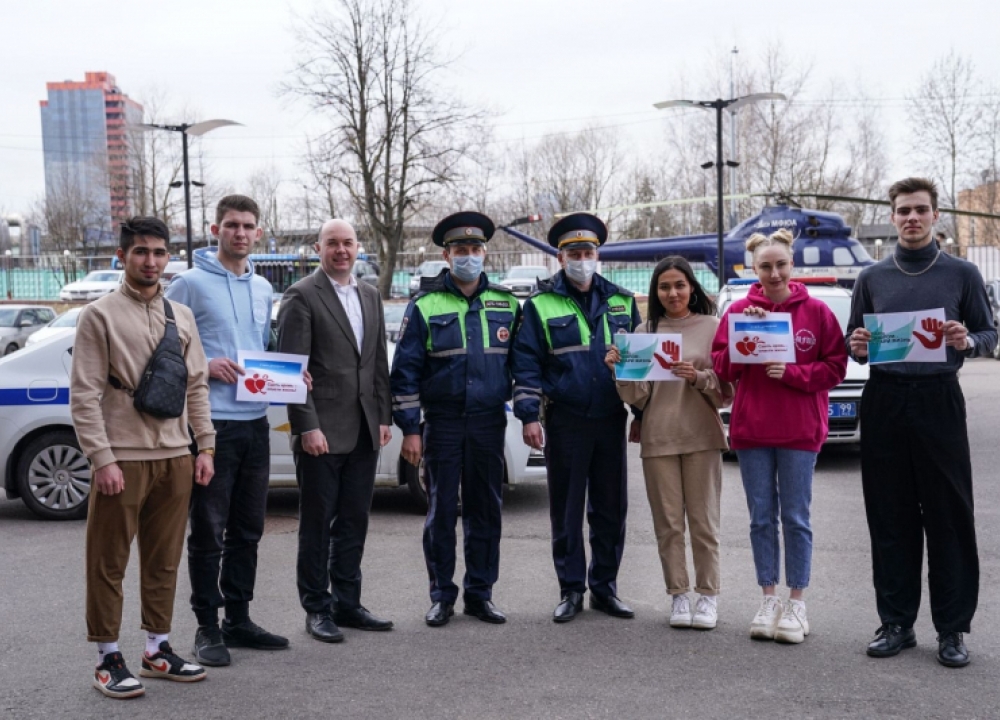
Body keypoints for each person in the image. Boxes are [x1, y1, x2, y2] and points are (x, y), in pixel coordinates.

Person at [846, 177, 996, 668]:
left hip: (938, 401)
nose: (912, 218)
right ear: (892, 218)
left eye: (921, 210)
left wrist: (965, 340)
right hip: (886, 400)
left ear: (935, 216)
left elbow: (988, 333)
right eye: (903, 210)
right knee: (889, 516)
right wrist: (859, 346)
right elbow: (855, 340)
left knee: (949, 516)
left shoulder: (962, 274)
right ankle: (896, 623)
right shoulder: (872, 278)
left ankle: (952, 629)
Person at [71, 216, 216, 699]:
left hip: (176, 456)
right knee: (107, 561)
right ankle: (107, 657)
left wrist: (205, 445)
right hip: (122, 459)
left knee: (164, 559)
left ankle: (158, 648)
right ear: (122, 256)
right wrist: (101, 458)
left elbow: (196, 387)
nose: (150, 261)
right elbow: (84, 396)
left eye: (158, 252)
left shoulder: (182, 316)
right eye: (140, 252)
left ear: (168, 257)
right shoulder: (99, 315)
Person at [166, 195, 291, 666]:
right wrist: (201, 363)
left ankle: (238, 618)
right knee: (209, 530)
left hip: (255, 422)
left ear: (258, 232)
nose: (240, 233)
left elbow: (261, 349)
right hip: (210, 425)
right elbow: (160, 345)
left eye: (248, 226)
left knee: (248, 528)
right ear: (215, 229)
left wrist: (291, 377)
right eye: (232, 225)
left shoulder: (262, 287)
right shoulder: (190, 284)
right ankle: (206, 627)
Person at [712, 229, 847, 644]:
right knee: (761, 518)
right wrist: (743, 341)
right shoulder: (738, 312)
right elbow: (722, 368)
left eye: (781, 264)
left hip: (799, 430)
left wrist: (794, 373)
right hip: (753, 429)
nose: (774, 273)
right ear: (753, 269)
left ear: (792, 266)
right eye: (765, 266)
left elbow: (836, 366)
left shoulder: (818, 311)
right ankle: (768, 596)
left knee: (796, 517)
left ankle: (797, 602)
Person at [390, 211, 521, 627]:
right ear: (447, 255)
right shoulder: (425, 305)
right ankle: (441, 595)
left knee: (486, 510)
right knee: (441, 511)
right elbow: (405, 372)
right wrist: (411, 428)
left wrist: (533, 413)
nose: (468, 256)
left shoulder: (506, 303)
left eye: (475, 249)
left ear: (486, 253)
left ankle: (480, 594)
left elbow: (524, 364)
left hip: (488, 422)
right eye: (460, 249)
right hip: (442, 423)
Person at [511, 212, 642, 623]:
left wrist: (641, 411)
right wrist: (529, 415)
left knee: (610, 510)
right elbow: (526, 363)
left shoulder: (621, 300)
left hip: (609, 418)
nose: (581, 258)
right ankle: (571, 590)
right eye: (573, 252)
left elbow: (637, 363)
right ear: (560, 257)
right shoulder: (539, 304)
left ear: (597, 254)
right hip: (564, 419)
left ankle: (605, 588)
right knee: (566, 511)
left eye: (588, 251)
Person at [277, 218, 393, 643]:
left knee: (353, 522)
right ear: (318, 248)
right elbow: (293, 369)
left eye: (347, 243)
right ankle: (317, 607)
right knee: (316, 524)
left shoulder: (369, 294)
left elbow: (377, 362)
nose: (341, 250)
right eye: (332, 244)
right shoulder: (301, 296)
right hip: (321, 433)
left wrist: (384, 416)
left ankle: (348, 603)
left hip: (364, 430)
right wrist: (307, 425)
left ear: (357, 247)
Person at [605, 256, 732, 630]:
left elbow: (727, 390)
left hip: (703, 436)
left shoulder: (713, 327)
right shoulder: (644, 331)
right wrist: (620, 371)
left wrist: (699, 377)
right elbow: (637, 397)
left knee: (704, 523)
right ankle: (678, 595)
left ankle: (707, 596)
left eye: (679, 284)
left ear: (692, 287)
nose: (672, 292)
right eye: (664, 287)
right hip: (658, 438)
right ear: (655, 292)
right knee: (669, 525)